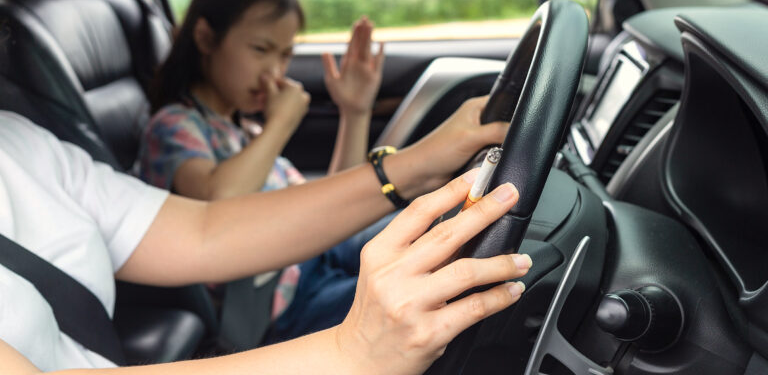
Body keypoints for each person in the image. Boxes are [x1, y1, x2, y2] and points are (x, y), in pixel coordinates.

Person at [0, 95, 531, 373]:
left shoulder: (16, 143)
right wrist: (352, 352)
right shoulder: (178, 126)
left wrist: (410, 167)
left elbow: (204, 233)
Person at [135, 0, 391, 343]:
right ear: (206, 38)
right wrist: (281, 123)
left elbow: (329, 206)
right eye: (260, 49)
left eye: (285, 55)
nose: (274, 72)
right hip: (279, 303)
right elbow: (218, 203)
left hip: (312, 257)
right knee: (416, 297)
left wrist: (355, 112)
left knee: (426, 235)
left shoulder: (245, 127)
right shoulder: (172, 127)